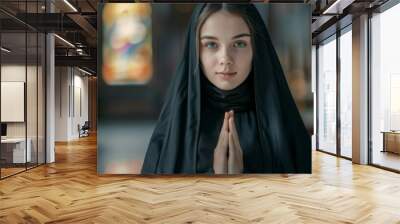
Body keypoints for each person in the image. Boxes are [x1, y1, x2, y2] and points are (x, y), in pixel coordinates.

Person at [141, 3, 311, 174]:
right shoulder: (175, 128)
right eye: (211, 44)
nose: (225, 59)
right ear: (195, 52)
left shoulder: (283, 126)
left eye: (239, 44)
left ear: (256, 49)